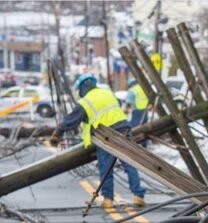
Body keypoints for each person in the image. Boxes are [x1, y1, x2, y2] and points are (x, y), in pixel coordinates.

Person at [50, 73, 146, 209]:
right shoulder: (107, 93)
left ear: (82, 88)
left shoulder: (85, 102)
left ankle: (108, 199)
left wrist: (57, 134)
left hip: (105, 135)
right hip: (123, 129)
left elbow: (70, 120)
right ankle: (138, 196)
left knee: (106, 167)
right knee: (129, 163)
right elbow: (117, 105)